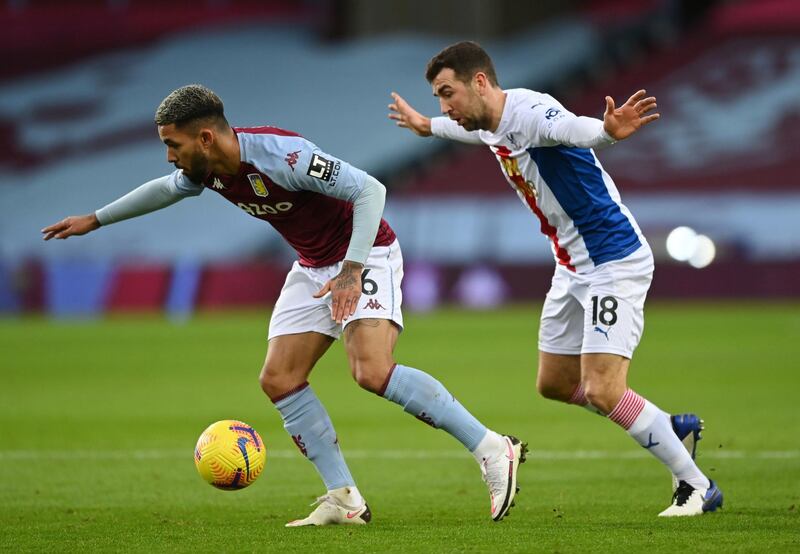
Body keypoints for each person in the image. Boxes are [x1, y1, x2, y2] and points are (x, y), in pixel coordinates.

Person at [41, 84, 526, 526]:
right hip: (313, 265)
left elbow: (369, 190)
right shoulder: (206, 170)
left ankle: (491, 448)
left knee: (371, 371)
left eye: (173, 144)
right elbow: (167, 190)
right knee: (279, 379)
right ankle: (344, 498)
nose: (169, 157)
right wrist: (96, 219)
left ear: (205, 138)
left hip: (366, 253)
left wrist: (352, 271)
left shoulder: (283, 156)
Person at [388, 41, 722, 517]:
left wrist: (606, 130)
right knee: (555, 383)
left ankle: (696, 485)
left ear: (479, 82)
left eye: (447, 94)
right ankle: (667, 427)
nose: (444, 107)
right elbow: (472, 133)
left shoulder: (531, 111)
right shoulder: (488, 122)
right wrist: (428, 126)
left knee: (605, 388)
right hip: (571, 266)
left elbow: (571, 128)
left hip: (612, 260)